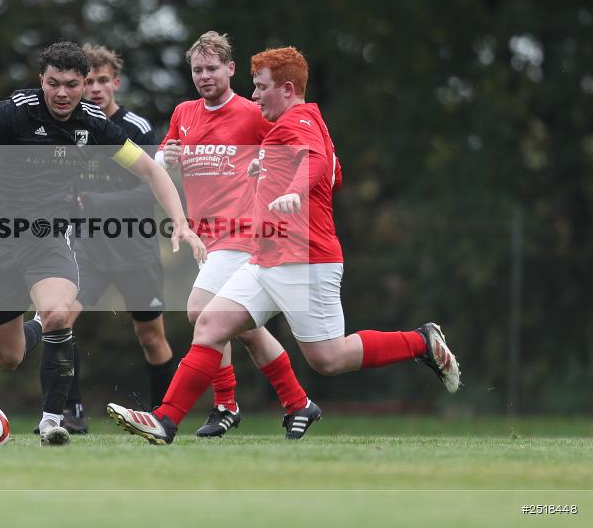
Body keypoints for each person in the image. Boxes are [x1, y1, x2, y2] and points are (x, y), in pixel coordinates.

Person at [107, 45, 461, 445]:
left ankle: (421, 342)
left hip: (304, 261)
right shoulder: (290, 125)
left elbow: (315, 163)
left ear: (287, 89)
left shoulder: (299, 120)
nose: (254, 96)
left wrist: (293, 188)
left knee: (328, 358)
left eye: (260, 88)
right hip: (266, 256)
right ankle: (165, 421)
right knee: (209, 323)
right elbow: (334, 172)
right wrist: (271, 168)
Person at [0, 41, 206, 446]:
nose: (62, 93)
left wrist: (180, 223)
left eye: (72, 85)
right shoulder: (15, 111)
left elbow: (150, 171)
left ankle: (52, 422)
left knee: (61, 311)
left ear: (83, 85)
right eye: (53, 84)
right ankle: (41, 325)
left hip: (48, 238)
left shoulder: (94, 123)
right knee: (8, 358)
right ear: (42, 81)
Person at [155, 31, 316, 439]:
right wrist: (165, 159)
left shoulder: (253, 113)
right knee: (240, 327)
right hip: (205, 240)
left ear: (230, 69)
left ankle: (224, 404)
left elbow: (293, 151)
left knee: (198, 311)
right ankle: (297, 402)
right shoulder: (184, 113)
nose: (204, 76)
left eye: (212, 68)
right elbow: (160, 165)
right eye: (197, 69)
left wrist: (278, 182)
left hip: (245, 233)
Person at [33, 44, 176, 435]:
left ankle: (164, 416)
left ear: (115, 82)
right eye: (88, 82)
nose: (94, 88)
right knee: (58, 321)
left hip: (135, 249)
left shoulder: (137, 129)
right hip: (87, 250)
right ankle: (68, 412)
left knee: (151, 337)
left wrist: (93, 201)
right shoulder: (70, 125)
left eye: (101, 80)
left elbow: (152, 190)